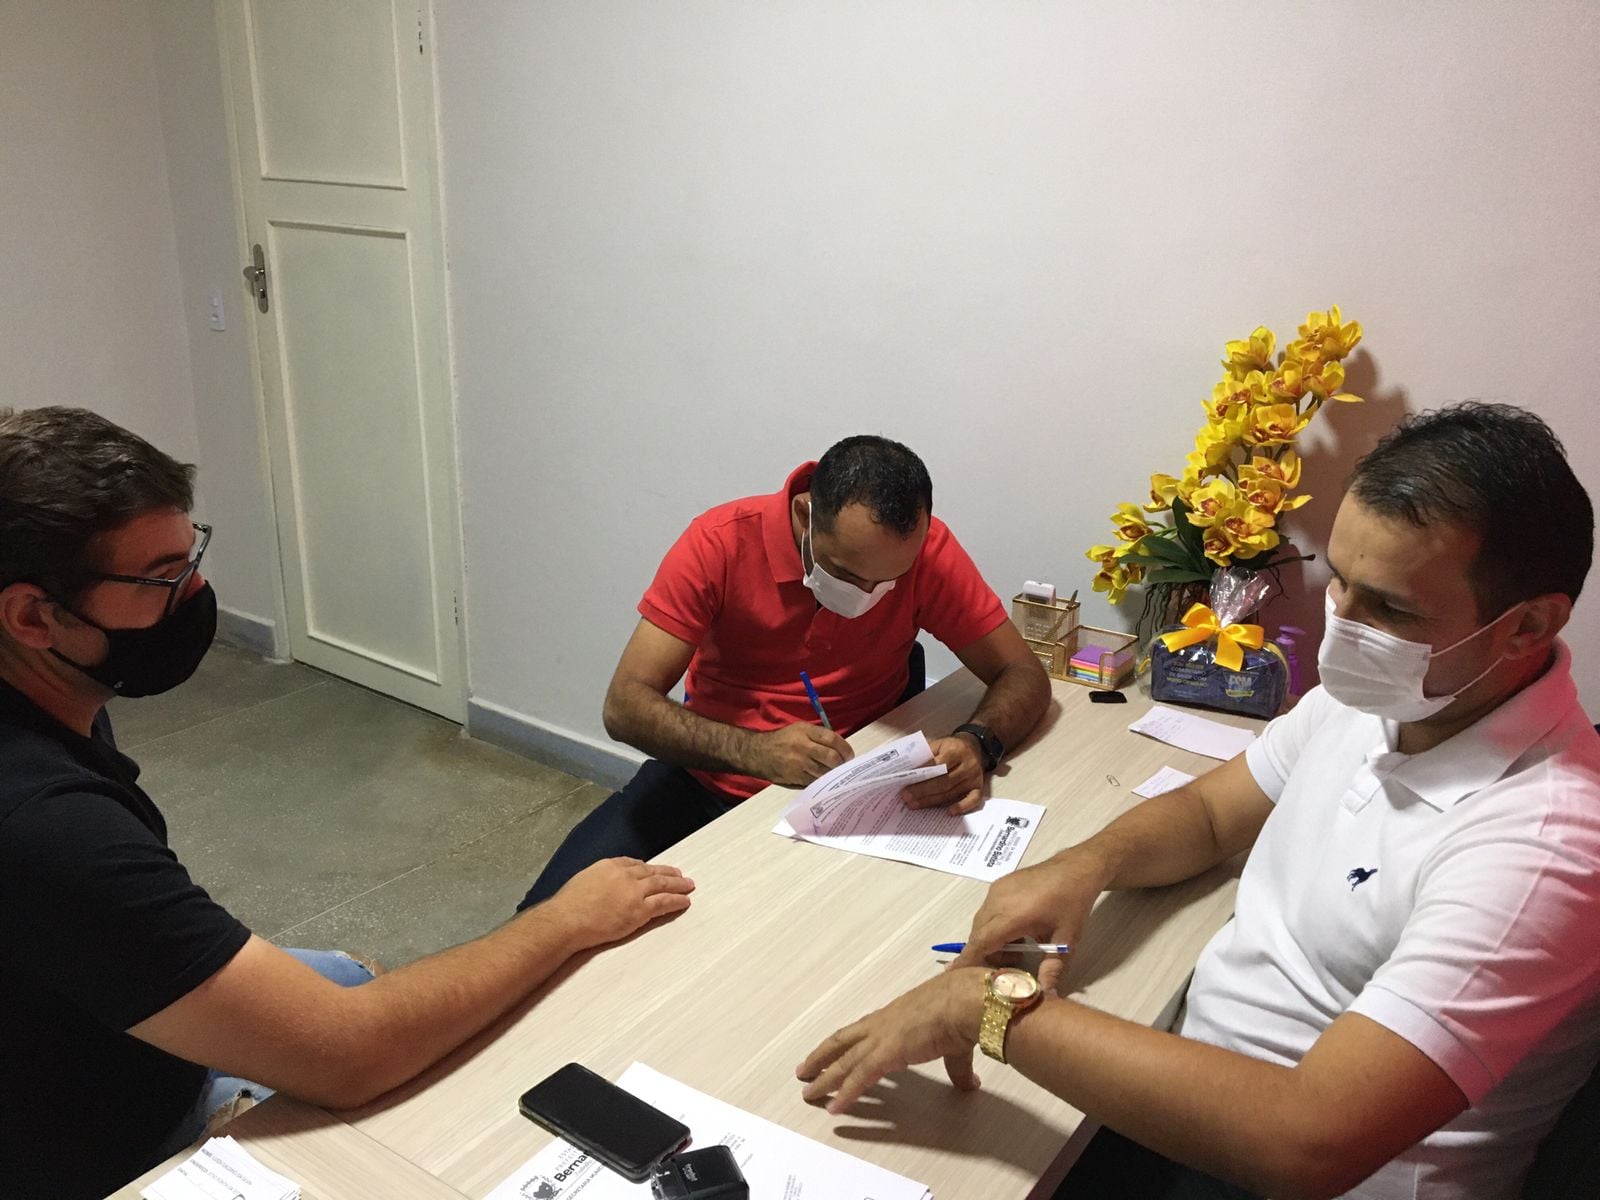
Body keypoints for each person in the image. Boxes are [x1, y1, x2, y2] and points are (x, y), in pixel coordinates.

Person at [796, 403, 1600, 1200]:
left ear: (1527, 627)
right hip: (1193, 1099)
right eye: (1340, 582)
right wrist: (1085, 866)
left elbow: (1308, 1141)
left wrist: (983, 1009)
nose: (1344, 627)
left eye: (1391, 608)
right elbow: (1213, 815)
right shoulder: (1384, 698)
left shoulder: (1543, 848)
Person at [0, 407, 696, 1200]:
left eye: (192, 556)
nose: (195, 593)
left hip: (86, 1008)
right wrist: (567, 918)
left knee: (359, 976)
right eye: (163, 578)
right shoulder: (46, 823)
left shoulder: (49, 695)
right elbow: (351, 1054)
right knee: (416, 1083)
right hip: (108, 1140)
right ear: (33, 616)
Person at [518, 434, 1052, 910]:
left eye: (888, 580)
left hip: (856, 794)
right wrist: (754, 752)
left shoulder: (926, 551)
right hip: (707, 779)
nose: (867, 595)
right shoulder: (720, 542)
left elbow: (1023, 672)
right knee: (548, 918)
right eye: (845, 573)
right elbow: (624, 705)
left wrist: (978, 744)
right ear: (805, 514)